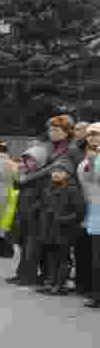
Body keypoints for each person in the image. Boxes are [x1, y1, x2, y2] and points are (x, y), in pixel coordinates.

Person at [35, 159, 86, 296]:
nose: (56, 174)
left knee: (63, 257)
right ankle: (51, 282)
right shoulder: (48, 188)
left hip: (64, 230)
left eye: (60, 171)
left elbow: (79, 212)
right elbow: (44, 206)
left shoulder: (73, 190)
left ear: (68, 174)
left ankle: (60, 284)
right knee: (51, 257)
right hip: (50, 229)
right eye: (54, 171)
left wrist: (63, 220)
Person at [7, 143, 50, 286]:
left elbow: (44, 199)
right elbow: (16, 188)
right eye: (26, 160)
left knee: (31, 250)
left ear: (40, 161)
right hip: (23, 217)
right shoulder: (26, 175)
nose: (28, 163)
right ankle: (21, 274)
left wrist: (33, 209)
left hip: (35, 219)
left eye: (31, 160)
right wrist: (19, 174)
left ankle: (28, 276)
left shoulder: (43, 178)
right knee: (24, 247)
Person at [79, 123, 100, 308]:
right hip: (93, 210)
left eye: (96, 134)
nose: (92, 137)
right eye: (90, 135)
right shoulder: (88, 157)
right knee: (94, 255)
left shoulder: (92, 158)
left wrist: (93, 162)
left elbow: (95, 179)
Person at [0, 141, 19, 258]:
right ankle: (7, 250)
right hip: (9, 194)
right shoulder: (13, 164)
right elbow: (18, 179)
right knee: (6, 222)